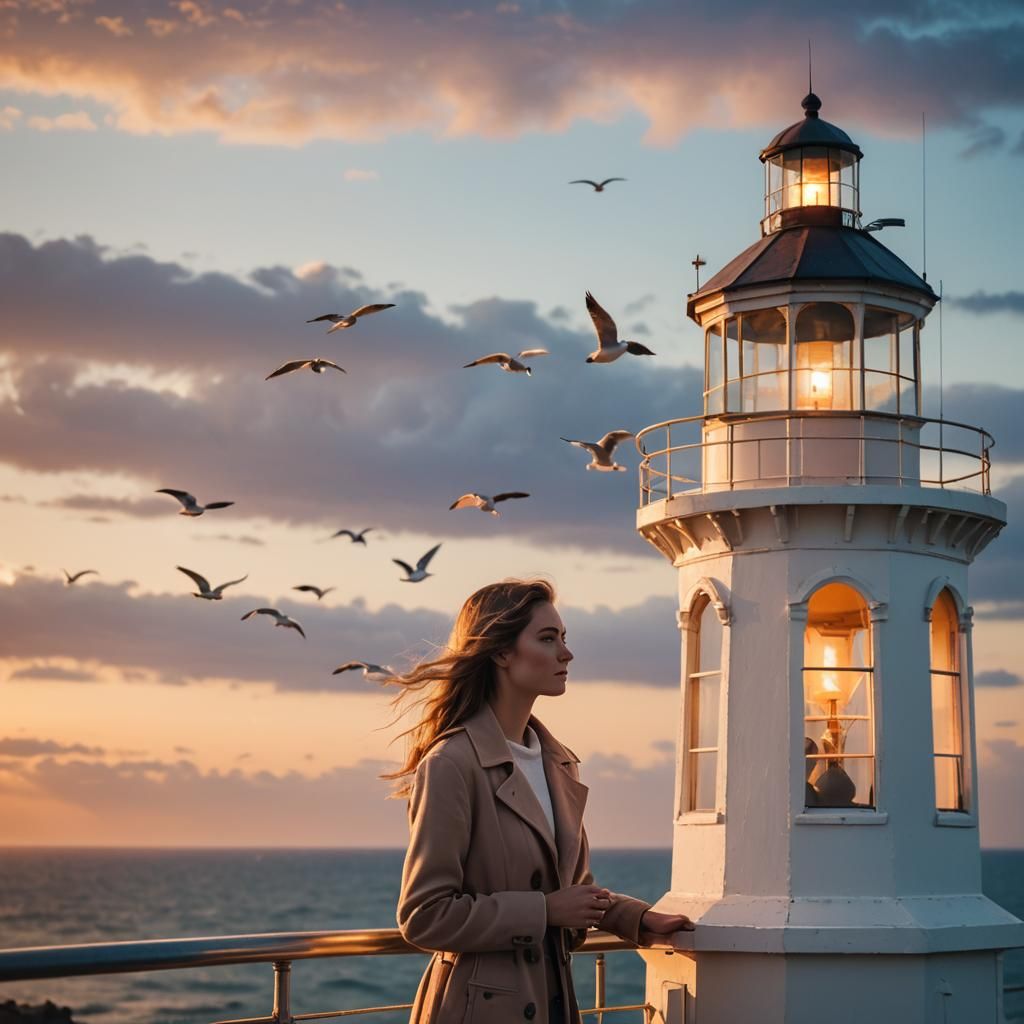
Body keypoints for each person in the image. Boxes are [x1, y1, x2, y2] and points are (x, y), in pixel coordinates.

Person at [383, 578, 694, 1024]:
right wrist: (544, 911)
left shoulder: (559, 762)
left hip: (551, 1001)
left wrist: (636, 919)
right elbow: (423, 915)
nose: (566, 653)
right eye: (548, 639)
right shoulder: (452, 762)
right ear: (501, 653)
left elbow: (572, 890)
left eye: (563, 638)